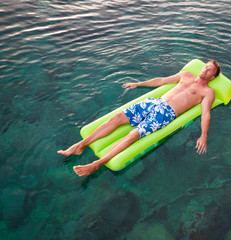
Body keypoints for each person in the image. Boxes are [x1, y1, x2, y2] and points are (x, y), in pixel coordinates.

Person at [58, 60, 221, 177]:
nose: (205, 70)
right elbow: (162, 81)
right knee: (117, 117)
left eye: (210, 70)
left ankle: (97, 164)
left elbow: (206, 113)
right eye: (206, 66)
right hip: (154, 102)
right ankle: (80, 145)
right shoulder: (185, 74)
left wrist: (204, 135)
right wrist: (140, 83)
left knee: (134, 135)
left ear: (212, 77)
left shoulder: (208, 92)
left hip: (165, 114)